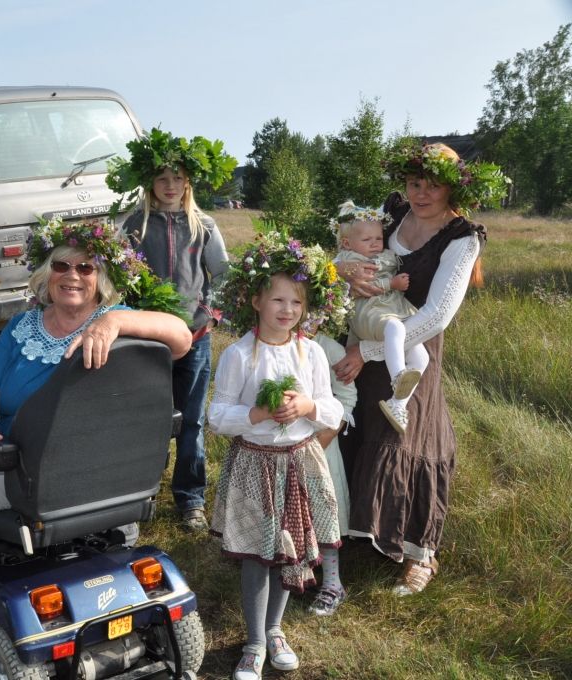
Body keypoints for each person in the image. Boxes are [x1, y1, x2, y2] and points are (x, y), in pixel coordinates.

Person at [0, 219, 192, 680]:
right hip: (8, 444)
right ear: (46, 273)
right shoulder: (23, 326)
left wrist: (116, 319)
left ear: (101, 278)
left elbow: (181, 336)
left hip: (62, 464)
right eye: (61, 264)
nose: (73, 275)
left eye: (86, 266)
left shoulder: (117, 325)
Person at [333, 142, 508, 596]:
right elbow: (347, 249)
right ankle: (355, 534)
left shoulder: (462, 237)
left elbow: (436, 316)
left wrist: (368, 353)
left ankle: (419, 554)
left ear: (454, 188)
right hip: (363, 331)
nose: (422, 194)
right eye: (415, 183)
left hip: (410, 351)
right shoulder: (390, 213)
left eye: (433, 185)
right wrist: (345, 277)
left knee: (407, 437)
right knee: (356, 427)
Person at [208, 232, 350, 680]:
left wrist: (307, 407)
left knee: (290, 553)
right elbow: (216, 415)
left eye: (296, 302)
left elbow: (333, 407)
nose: (287, 310)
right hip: (255, 464)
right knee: (257, 555)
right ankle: (252, 642)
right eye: (278, 300)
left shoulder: (310, 353)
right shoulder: (238, 355)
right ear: (255, 301)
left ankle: (275, 631)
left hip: (298, 462)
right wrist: (255, 413)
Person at [108, 127, 235, 531]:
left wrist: (211, 313)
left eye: (177, 178)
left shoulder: (204, 225)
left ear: (188, 183)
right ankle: (139, 493)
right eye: (162, 178)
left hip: (195, 338)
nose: (170, 185)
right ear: (150, 183)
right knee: (148, 418)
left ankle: (190, 498)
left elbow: (222, 274)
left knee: (193, 420)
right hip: (147, 341)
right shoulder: (135, 225)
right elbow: (118, 277)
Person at [333, 201, 427, 433]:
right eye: (367, 240)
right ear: (347, 243)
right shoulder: (349, 260)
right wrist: (391, 283)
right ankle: (398, 377)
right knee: (394, 329)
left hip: (392, 307)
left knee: (422, 358)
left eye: (378, 238)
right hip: (370, 310)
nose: (375, 243)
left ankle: (398, 403)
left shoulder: (385, 254)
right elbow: (366, 286)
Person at [308, 333, 356, 616]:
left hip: (320, 446)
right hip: (281, 446)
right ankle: (295, 573)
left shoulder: (327, 347)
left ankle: (333, 583)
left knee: (324, 513)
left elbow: (348, 395)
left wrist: (324, 437)